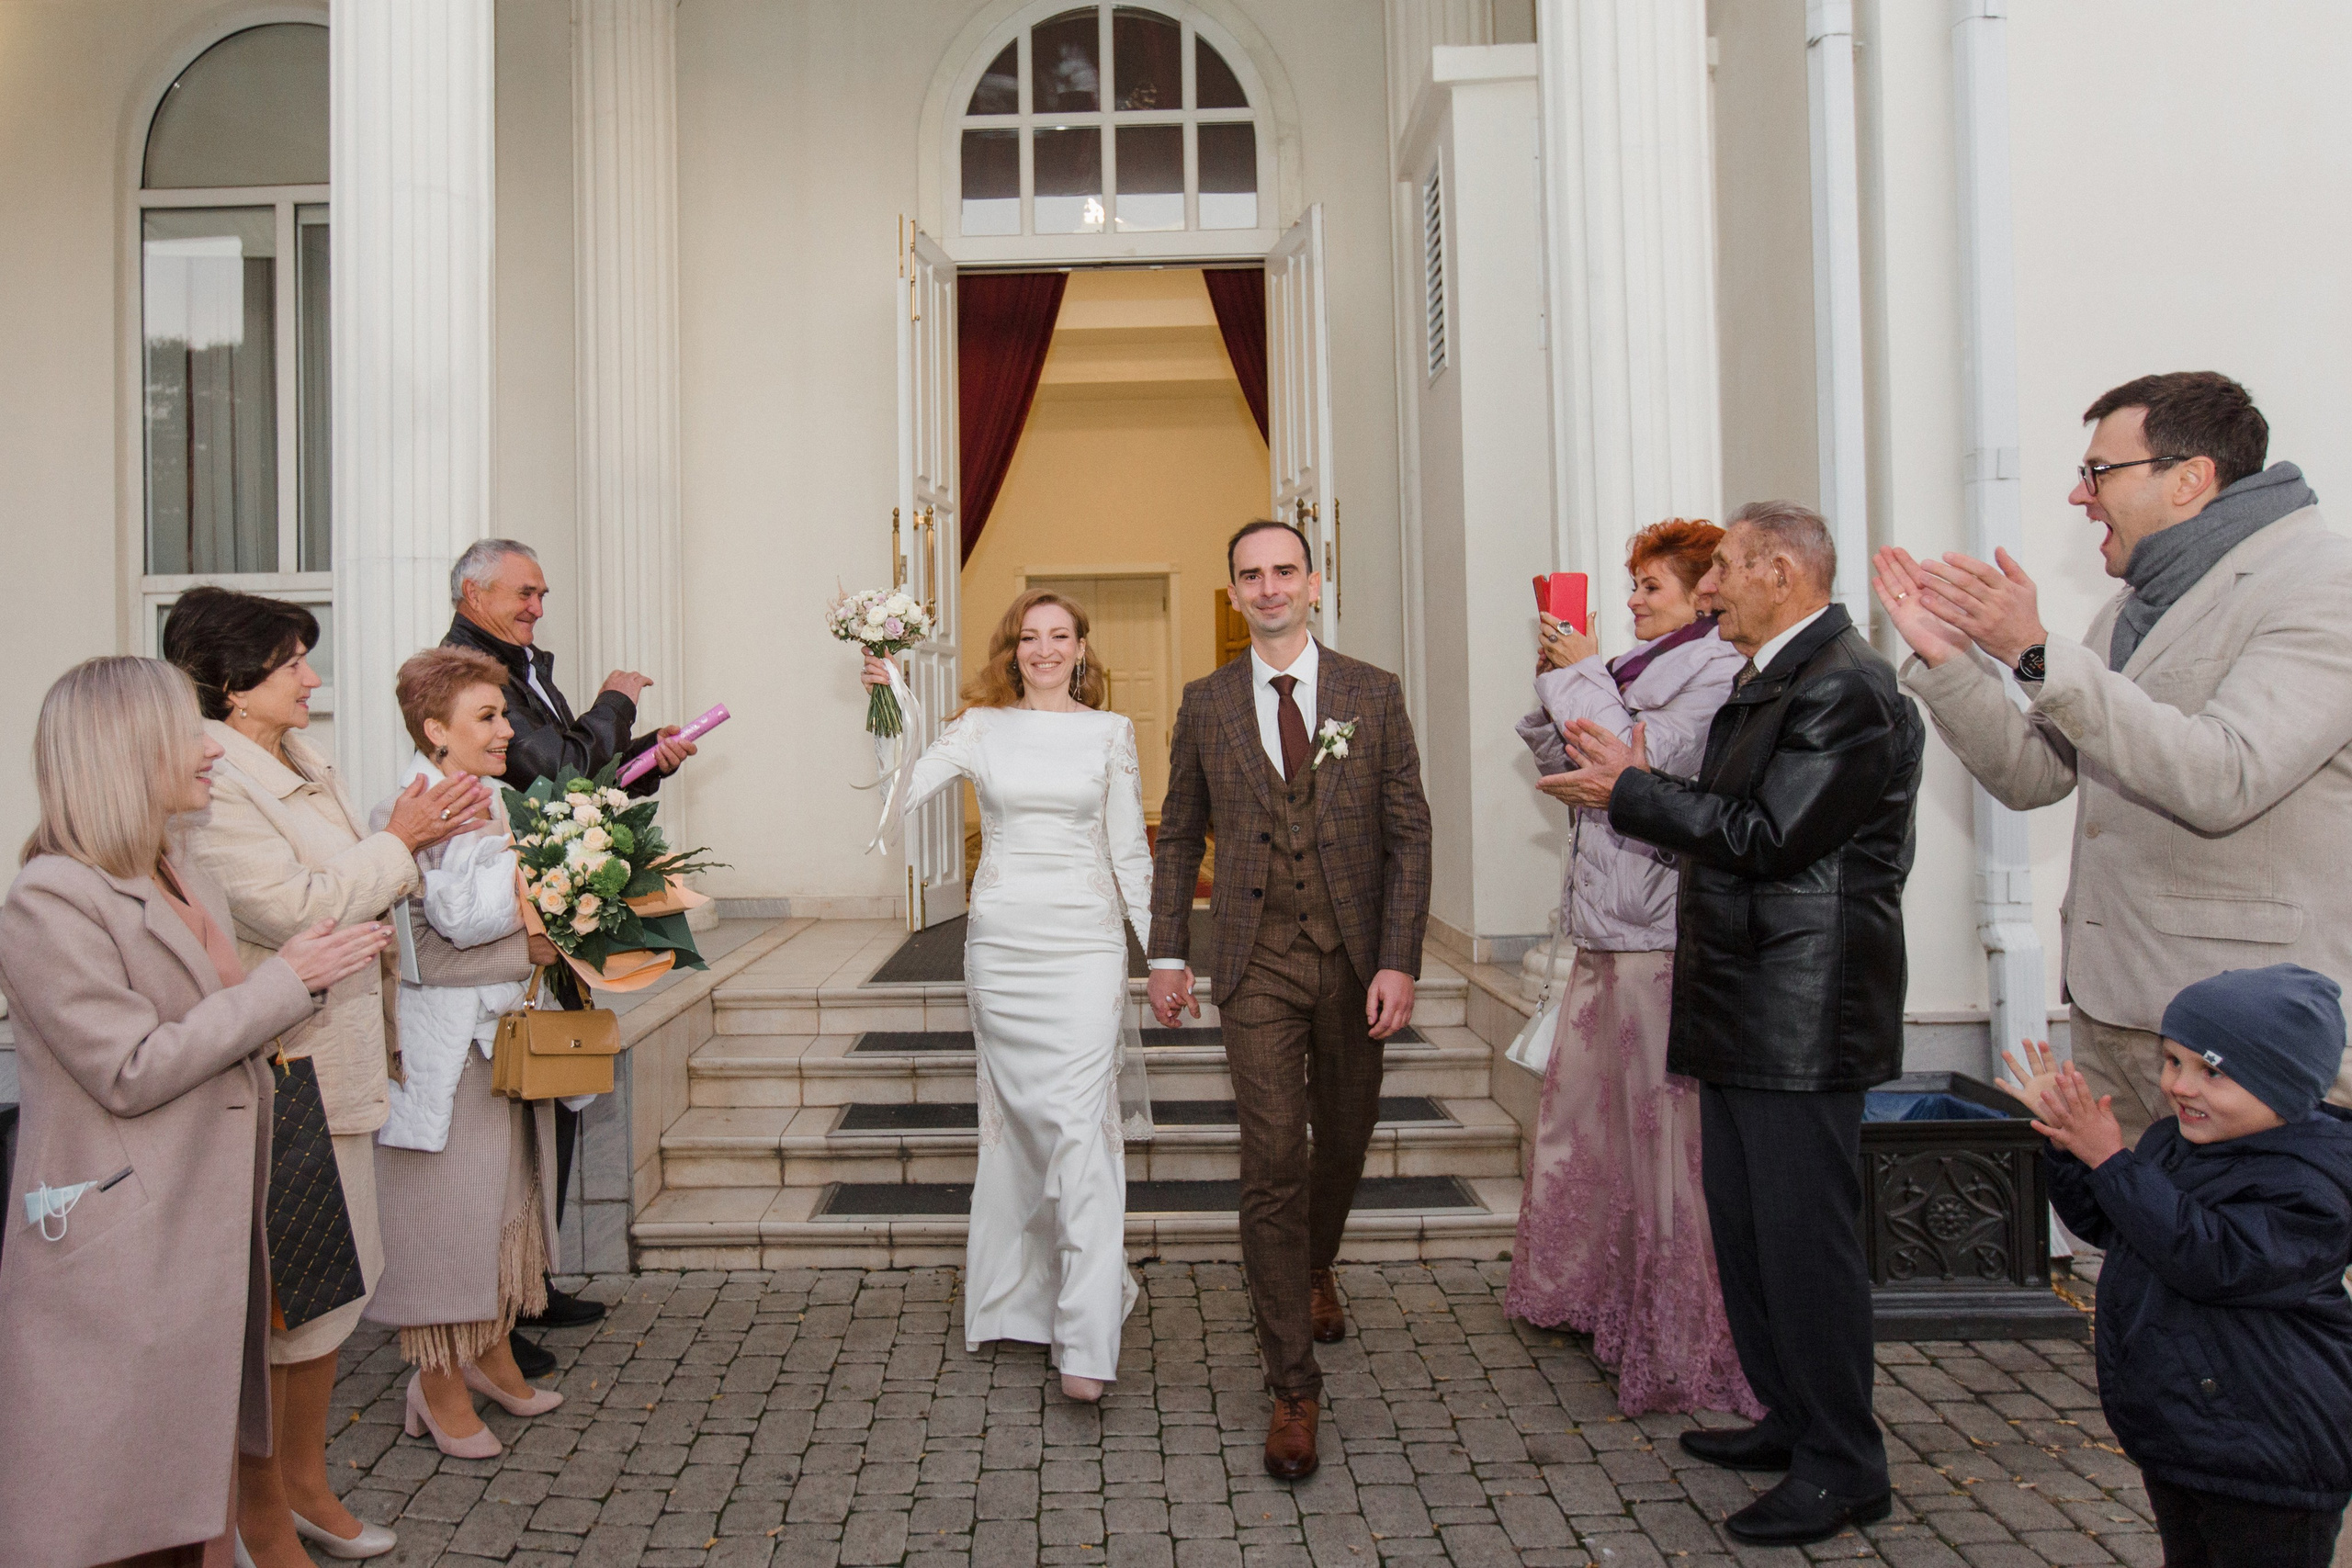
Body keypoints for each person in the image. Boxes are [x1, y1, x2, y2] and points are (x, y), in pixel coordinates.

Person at [1550, 502, 1922, 1545]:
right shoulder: (1771, 680)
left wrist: (1630, 791)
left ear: (1780, 573)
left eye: (1722, 572)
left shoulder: (1846, 688)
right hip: (1744, 1001)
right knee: (1749, 1234)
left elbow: (1768, 836)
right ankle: (1789, 1419)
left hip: (1801, 1017)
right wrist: (1633, 789)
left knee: (1805, 1247)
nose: (1706, 590)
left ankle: (1844, 1465)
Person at [1874, 372, 2352, 1147]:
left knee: (2234, 1263)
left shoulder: (2322, 586)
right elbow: (2039, 774)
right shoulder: (2134, 606)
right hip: (2120, 1013)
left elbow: (2224, 776)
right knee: (2127, 1258)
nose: (2080, 496)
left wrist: (2032, 650)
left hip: (2243, 1051)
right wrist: (1952, 661)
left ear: (2191, 477)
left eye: (2099, 472)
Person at [0, 657, 388, 1568]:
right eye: (187, 731)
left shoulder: (181, 870)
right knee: (117, 1504)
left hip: (201, 1226)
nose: (209, 748)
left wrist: (301, 979)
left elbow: (221, 1022)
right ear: (127, 751)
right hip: (125, 1243)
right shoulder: (49, 899)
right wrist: (285, 982)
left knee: (185, 1483)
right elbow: (129, 1068)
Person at [164, 586, 487, 1564]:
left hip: (343, 1050)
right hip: (289, 1064)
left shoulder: (297, 759)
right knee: (298, 1303)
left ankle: (299, 1484)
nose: (312, 678)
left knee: (334, 1291)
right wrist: (404, 844)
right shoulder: (220, 783)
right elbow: (287, 907)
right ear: (231, 682)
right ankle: (265, 1504)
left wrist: (400, 847)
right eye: (293, 662)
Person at [1147, 521, 1433, 1481]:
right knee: (1273, 1156)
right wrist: (1166, 952)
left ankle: (1316, 1262)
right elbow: (1180, 835)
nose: (1268, 588)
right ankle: (1292, 1388)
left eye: (1283, 571)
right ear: (1233, 593)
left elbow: (1409, 836)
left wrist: (1398, 959)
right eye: (1249, 576)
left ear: (1314, 581)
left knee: (1342, 1140)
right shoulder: (1205, 702)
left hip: (1354, 962)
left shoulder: (1372, 693)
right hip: (1254, 962)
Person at [860, 590, 1151, 1404]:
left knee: (1081, 1125)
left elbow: (1130, 851)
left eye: (1061, 636)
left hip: (1086, 947)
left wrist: (1162, 951)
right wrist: (891, 707)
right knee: (1020, 1123)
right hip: (1003, 949)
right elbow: (897, 802)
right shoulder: (979, 728)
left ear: (1083, 648)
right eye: (1031, 637)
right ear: (1012, 649)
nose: (1046, 649)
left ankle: (1088, 1334)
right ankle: (1021, 1298)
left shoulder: (1111, 733)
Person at [1503, 519, 1755, 1418]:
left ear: (1699, 595)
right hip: (1607, 924)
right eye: (1634, 584)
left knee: (1661, 1142)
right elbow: (1562, 753)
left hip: (1658, 926)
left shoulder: (1715, 671)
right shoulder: (1635, 671)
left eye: (1652, 586)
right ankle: (1600, 1292)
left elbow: (1649, 764)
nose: (1636, 599)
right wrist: (1567, 682)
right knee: (1591, 1124)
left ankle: (1680, 1329)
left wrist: (1584, 672)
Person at [1997, 965, 2352, 1568]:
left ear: (2283, 1084)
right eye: (2173, 1060)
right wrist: (2067, 1146)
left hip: (2275, 1454)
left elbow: (2212, 1258)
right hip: (2188, 1434)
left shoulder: (2311, 1184)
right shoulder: (2172, 1143)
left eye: (2211, 1070)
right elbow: (2116, 1223)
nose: (2180, 1085)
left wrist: (2111, 1159)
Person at [442, 537, 697, 1355]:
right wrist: (613, 702)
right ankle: (498, 1309)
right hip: (506, 922)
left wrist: (647, 757)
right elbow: (557, 769)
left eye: (543, 594)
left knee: (554, 1101)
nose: (536, 607)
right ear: (474, 593)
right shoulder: (468, 672)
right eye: (524, 593)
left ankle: (533, 1284)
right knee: (513, 1126)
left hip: (551, 913)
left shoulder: (518, 663)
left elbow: (586, 773)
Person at [367, 648, 569, 1458]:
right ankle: (436, 1379)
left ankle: (489, 1351)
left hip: (502, 1039)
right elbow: (436, 938)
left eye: (503, 713)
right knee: (442, 1218)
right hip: (439, 1052)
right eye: (486, 716)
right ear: (434, 731)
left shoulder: (500, 800)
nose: (505, 728)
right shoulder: (408, 811)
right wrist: (537, 923)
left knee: (500, 1205)